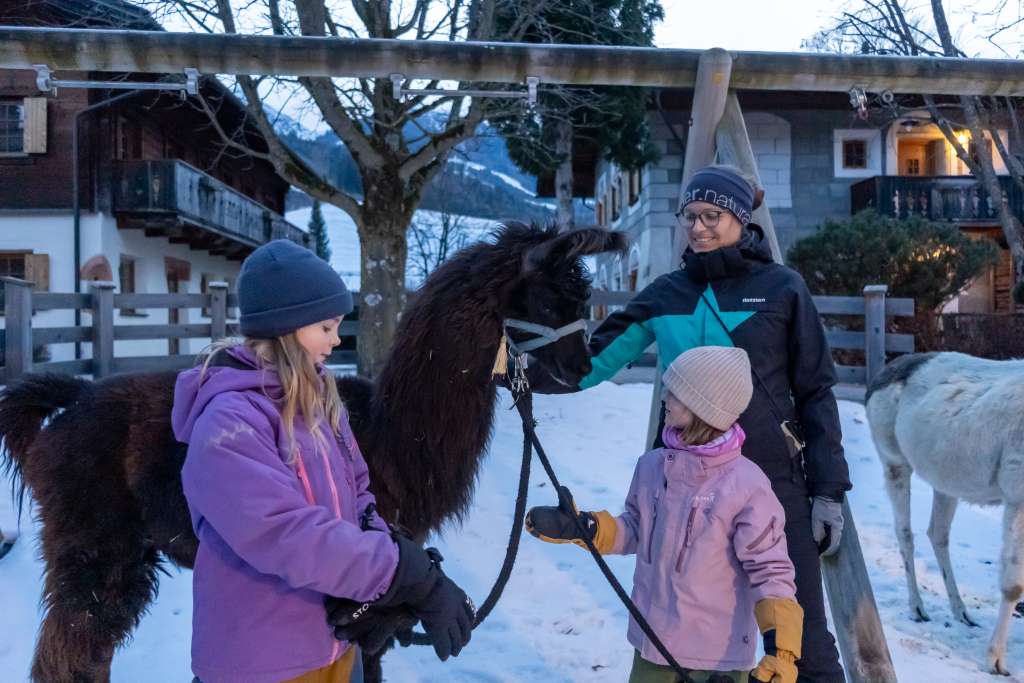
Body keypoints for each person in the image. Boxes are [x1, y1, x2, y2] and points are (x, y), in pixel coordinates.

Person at [528, 165, 848, 683]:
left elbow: (816, 391)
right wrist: (517, 372)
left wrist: (829, 489)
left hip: (773, 485)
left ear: (741, 220)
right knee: (679, 641)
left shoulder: (783, 289)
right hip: (683, 495)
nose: (698, 227)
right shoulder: (664, 295)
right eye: (689, 216)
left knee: (802, 643)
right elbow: (590, 364)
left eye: (712, 216)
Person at [172, 240, 474, 683]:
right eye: (327, 326)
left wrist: (382, 581)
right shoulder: (229, 424)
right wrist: (403, 573)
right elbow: (283, 533)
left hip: (331, 647)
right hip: (262, 661)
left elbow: (359, 496)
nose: (336, 340)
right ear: (288, 326)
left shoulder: (318, 404)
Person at [526, 346, 803, 683]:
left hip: (716, 663)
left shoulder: (746, 485)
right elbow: (635, 529)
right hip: (652, 645)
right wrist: (588, 527)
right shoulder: (653, 466)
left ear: (705, 409)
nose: (665, 397)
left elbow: (770, 570)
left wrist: (782, 652)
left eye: (677, 393)